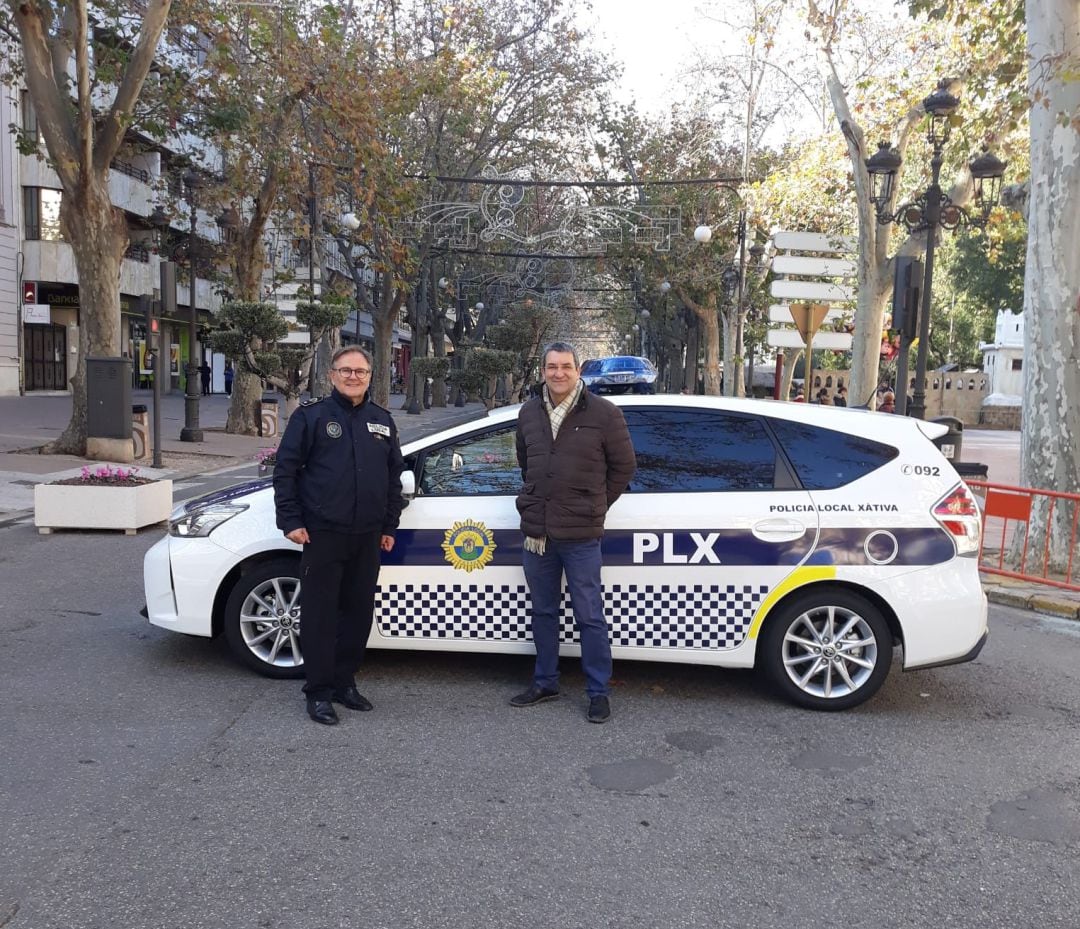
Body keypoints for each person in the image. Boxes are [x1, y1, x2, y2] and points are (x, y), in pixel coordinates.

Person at [273, 346, 404, 726]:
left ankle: (345, 682)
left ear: (370, 376)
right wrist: (291, 520)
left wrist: (388, 525)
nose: (353, 377)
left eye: (360, 371)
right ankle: (318, 692)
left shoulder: (382, 420)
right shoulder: (310, 417)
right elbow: (286, 470)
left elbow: (393, 477)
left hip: (366, 536)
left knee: (358, 614)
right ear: (331, 375)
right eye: (345, 370)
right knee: (319, 616)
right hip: (322, 534)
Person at [511, 340, 636, 724]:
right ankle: (545, 681)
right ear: (544, 371)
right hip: (538, 534)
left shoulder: (604, 413)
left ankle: (598, 692)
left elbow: (624, 468)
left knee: (589, 616)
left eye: (566, 366)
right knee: (543, 612)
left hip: (581, 535)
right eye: (552, 367)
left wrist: (595, 504)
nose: (559, 373)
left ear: (578, 371)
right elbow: (526, 462)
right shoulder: (529, 413)